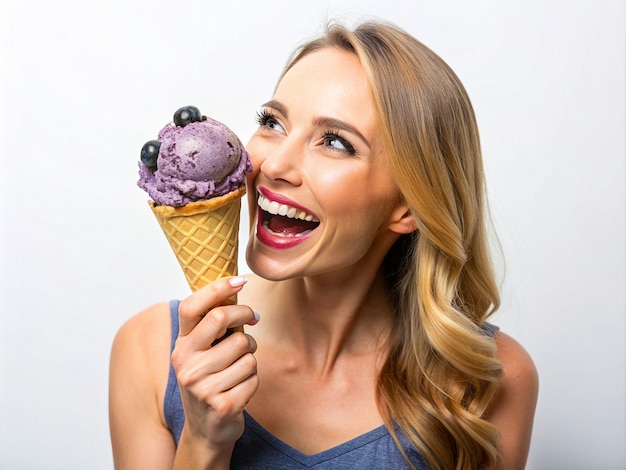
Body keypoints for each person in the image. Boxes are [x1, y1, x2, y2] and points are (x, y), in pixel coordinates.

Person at [109, 19, 538, 470]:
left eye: (335, 142)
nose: (273, 163)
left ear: (410, 204)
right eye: (273, 122)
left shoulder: (490, 379)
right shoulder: (151, 350)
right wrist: (203, 440)